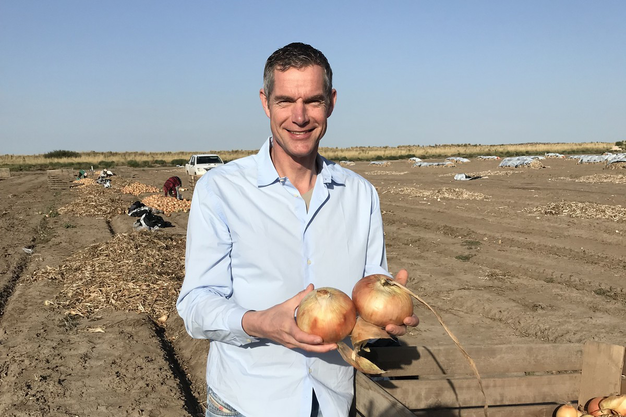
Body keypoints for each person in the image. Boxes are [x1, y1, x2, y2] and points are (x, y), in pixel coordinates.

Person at [176, 42, 419, 417]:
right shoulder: (221, 190)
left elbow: (370, 287)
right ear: (265, 103)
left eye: (313, 101)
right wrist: (258, 323)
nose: (300, 116)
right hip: (246, 403)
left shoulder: (360, 194)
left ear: (331, 103)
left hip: (332, 401)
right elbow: (196, 304)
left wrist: (387, 313)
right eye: (286, 101)